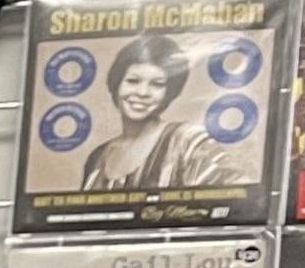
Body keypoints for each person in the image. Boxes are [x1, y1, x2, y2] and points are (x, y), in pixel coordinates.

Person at [78, 34, 225, 192]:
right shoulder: (97, 158)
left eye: (157, 84)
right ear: (116, 84)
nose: (142, 92)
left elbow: (234, 202)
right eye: (133, 81)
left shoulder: (188, 141)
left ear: (170, 92)